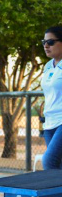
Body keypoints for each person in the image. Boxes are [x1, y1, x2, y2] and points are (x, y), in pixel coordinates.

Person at [40, 26, 62, 170]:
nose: (46, 46)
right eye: (44, 42)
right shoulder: (48, 66)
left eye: (51, 42)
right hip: (50, 122)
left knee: (49, 161)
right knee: (59, 167)